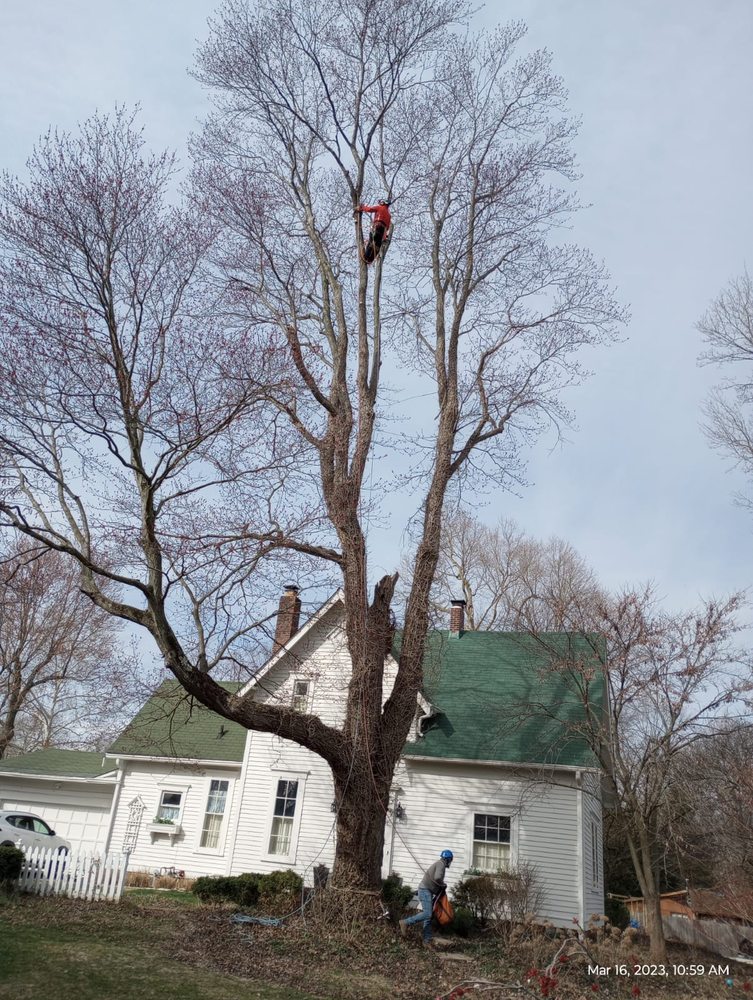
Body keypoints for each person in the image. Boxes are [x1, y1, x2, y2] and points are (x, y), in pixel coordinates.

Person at [399, 849, 453, 945]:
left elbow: (435, 880)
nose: (450, 862)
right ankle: (405, 922)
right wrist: (443, 884)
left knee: (428, 916)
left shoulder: (439, 863)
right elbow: (437, 877)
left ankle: (426, 941)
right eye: (450, 860)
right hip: (425, 891)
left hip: (427, 891)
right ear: (448, 859)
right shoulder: (441, 864)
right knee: (428, 914)